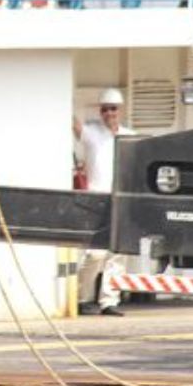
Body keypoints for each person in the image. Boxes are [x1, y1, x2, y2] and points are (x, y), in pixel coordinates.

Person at [73, 88, 134, 316]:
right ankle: (81, 297)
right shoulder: (91, 134)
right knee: (95, 254)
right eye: (105, 109)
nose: (110, 113)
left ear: (121, 110)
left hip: (121, 198)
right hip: (96, 199)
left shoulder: (130, 135)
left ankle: (109, 301)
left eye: (113, 109)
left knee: (117, 254)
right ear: (100, 111)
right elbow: (74, 124)